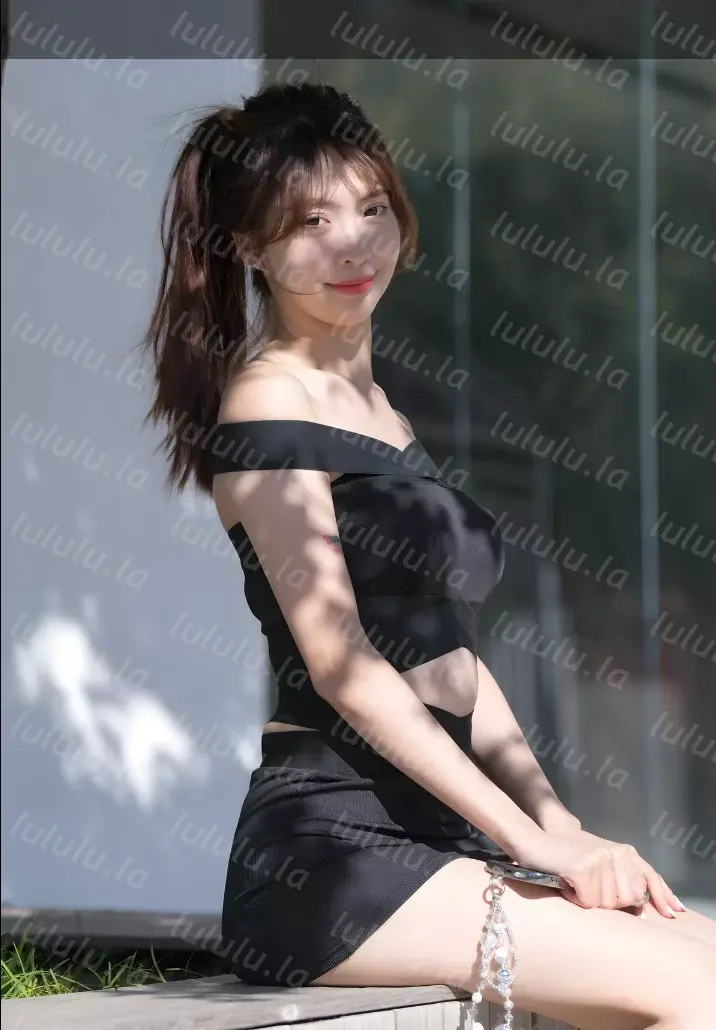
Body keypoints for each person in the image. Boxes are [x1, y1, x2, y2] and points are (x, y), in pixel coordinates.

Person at [142, 82, 716, 1030]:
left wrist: (560, 825)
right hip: (334, 850)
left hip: (441, 829)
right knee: (697, 990)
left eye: (372, 208)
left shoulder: (385, 415)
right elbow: (343, 667)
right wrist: (531, 841)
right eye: (311, 221)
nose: (353, 243)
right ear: (248, 247)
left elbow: (453, 661)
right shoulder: (270, 402)